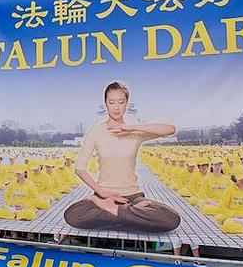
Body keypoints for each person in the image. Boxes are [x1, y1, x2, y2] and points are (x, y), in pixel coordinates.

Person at [64, 82, 180, 233]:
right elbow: (79, 168)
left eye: (121, 102)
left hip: (134, 198)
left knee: (171, 218)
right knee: (72, 215)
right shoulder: (95, 132)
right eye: (111, 102)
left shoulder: (135, 133)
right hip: (103, 197)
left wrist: (132, 127)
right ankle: (128, 217)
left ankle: (114, 213)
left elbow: (171, 130)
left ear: (127, 104)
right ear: (105, 104)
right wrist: (101, 194)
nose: (116, 107)